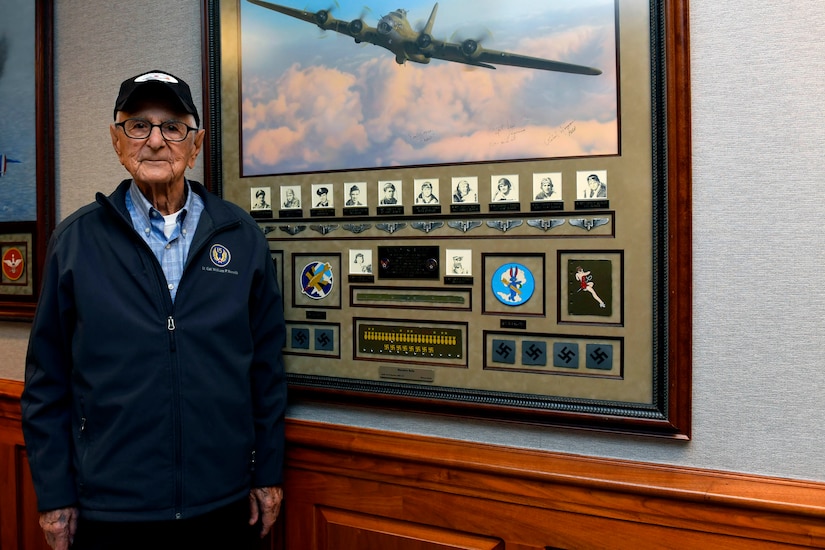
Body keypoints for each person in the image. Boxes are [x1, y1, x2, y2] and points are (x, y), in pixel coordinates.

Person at [20, 70, 287, 550]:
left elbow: (266, 373)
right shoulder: (75, 242)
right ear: (116, 141)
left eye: (173, 126)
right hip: (112, 509)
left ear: (197, 142)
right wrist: (54, 495)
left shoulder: (242, 238)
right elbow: (47, 384)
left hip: (222, 504)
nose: (156, 141)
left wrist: (266, 471)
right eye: (138, 125)